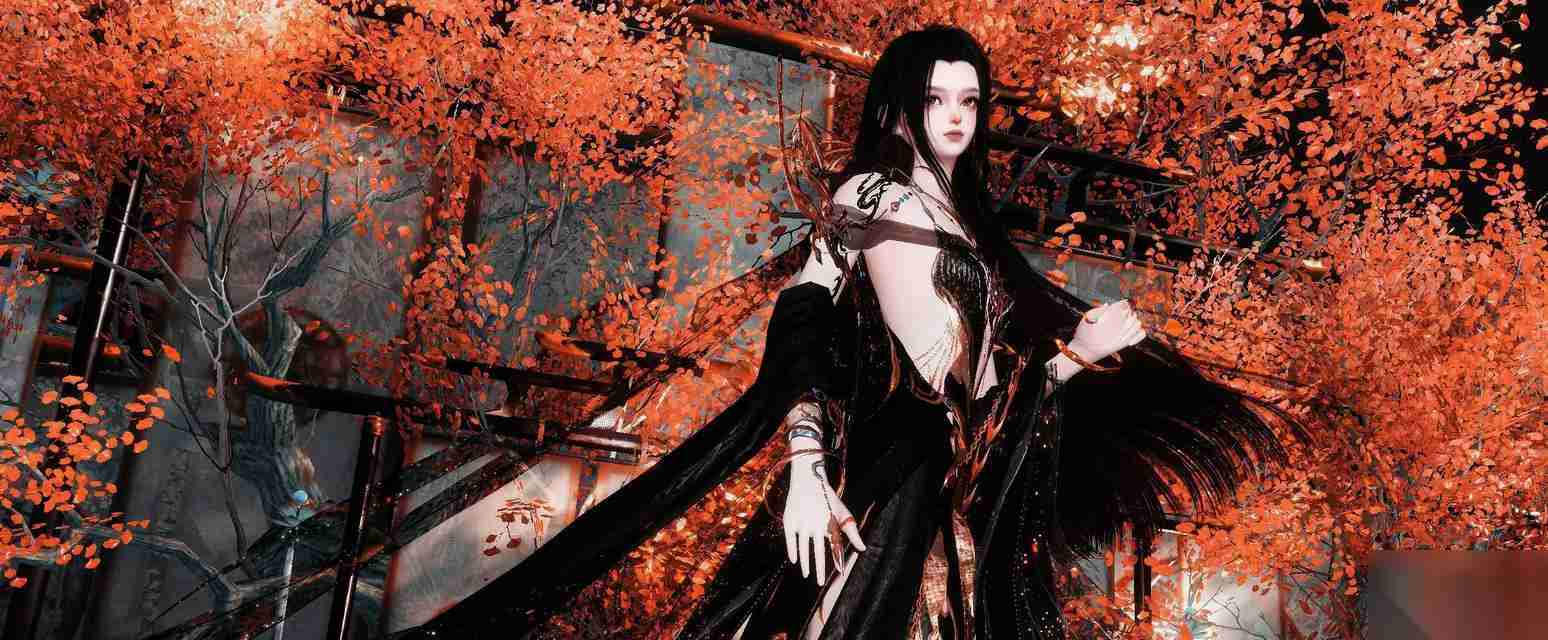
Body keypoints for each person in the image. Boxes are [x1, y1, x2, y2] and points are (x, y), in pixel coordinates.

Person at [399, 24, 1303, 640]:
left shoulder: (974, 230)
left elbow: (985, 399)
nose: (956, 115)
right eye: (937, 97)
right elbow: (805, 315)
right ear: (900, 104)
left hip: (953, 486)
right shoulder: (870, 194)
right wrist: (804, 463)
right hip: (891, 464)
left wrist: (1071, 362)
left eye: (971, 100)